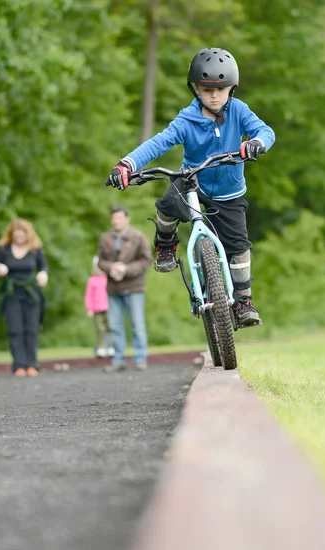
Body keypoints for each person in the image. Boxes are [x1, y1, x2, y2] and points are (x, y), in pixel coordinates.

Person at [107, 47, 275, 327]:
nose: (214, 95)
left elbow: (264, 131)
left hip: (229, 193)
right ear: (196, 89)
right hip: (193, 182)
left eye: (220, 89)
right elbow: (157, 143)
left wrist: (257, 142)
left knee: (239, 246)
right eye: (207, 89)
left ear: (231, 88)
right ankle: (165, 244)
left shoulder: (239, 111)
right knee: (168, 203)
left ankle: (244, 301)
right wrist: (127, 164)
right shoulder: (186, 119)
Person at [98, 205, 152, 372]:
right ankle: (118, 360)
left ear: (127, 219)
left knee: (137, 324)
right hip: (113, 288)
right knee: (115, 325)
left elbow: (146, 260)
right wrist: (111, 267)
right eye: (114, 218)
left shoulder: (138, 236)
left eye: (119, 218)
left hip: (134, 287)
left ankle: (140, 358)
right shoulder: (105, 238)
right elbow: (100, 261)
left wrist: (126, 269)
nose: (116, 221)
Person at [0, 219, 49, 376]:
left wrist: (43, 274)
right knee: (15, 329)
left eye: (22, 231)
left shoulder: (35, 250)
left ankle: (32, 364)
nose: (19, 234)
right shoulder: (3, 250)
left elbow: (44, 266)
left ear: (27, 234)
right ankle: (18, 364)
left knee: (32, 329)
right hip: (12, 294)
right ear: (11, 234)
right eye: (16, 232)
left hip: (32, 293)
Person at [85, 256, 114, 358]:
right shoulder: (92, 280)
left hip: (109, 307)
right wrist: (89, 308)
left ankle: (111, 347)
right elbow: (89, 295)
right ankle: (101, 347)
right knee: (100, 328)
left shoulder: (108, 280)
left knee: (111, 327)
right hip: (97, 309)